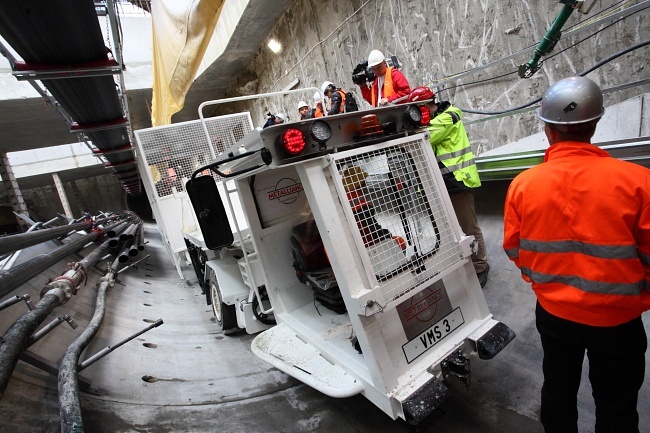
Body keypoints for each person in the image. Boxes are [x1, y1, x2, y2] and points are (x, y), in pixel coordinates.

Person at [502, 76, 650, 433]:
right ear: (595, 124)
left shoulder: (523, 185)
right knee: (617, 407)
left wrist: (546, 283)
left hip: (555, 316)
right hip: (618, 322)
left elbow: (513, 248)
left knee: (558, 391)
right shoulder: (638, 182)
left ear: (548, 129)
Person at [408, 86, 489, 287]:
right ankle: (464, 262)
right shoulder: (434, 120)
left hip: (457, 182)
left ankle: (480, 265)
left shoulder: (448, 117)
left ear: (426, 106)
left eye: (418, 110)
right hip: (441, 185)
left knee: (468, 227)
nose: (417, 116)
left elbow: (425, 136)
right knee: (451, 230)